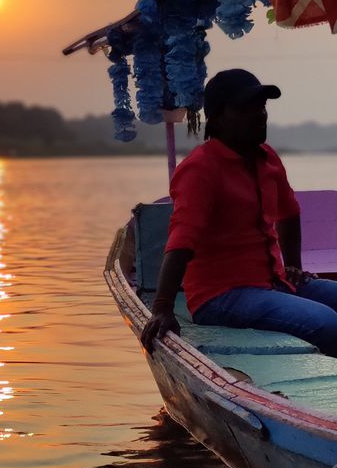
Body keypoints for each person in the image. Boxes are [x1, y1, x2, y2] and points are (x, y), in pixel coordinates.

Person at [141, 68, 337, 358]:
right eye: (247, 108)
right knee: (327, 324)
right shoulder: (200, 169)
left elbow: (289, 213)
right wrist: (162, 308)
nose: (260, 115)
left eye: (262, 107)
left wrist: (293, 266)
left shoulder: (266, 157)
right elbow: (181, 241)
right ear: (218, 119)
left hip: (273, 283)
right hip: (221, 296)